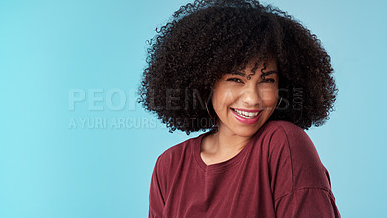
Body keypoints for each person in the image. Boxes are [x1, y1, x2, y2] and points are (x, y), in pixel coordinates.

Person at [138, 0, 340, 217]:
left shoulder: (284, 144)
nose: (252, 99)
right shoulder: (170, 165)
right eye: (236, 79)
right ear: (207, 83)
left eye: (267, 81)